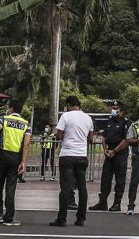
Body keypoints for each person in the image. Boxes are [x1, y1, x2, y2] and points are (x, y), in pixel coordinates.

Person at [50, 95, 93, 227]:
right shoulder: (88, 118)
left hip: (67, 155)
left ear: (68, 105)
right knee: (82, 187)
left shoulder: (65, 116)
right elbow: (90, 139)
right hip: (82, 155)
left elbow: (59, 135)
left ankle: (62, 218)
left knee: (65, 188)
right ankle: (81, 218)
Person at [0, 103, 31, 226]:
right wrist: (23, 161)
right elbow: (26, 144)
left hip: (1, 155)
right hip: (15, 158)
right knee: (10, 187)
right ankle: (9, 218)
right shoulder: (25, 123)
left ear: (11, 108)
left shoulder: (3, 119)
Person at [90, 99, 130, 213]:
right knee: (105, 178)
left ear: (121, 111)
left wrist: (115, 151)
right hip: (109, 152)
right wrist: (106, 150)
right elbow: (104, 137)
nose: (113, 110)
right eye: (113, 108)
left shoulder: (125, 122)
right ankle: (102, 202)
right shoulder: (109, 121)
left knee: (119, 179)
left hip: (120, 153)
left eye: (116, 109)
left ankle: (117, 203)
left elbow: (126, 140)